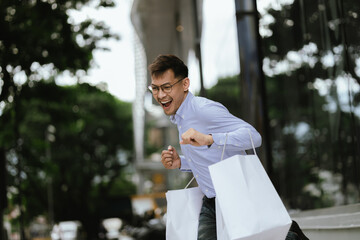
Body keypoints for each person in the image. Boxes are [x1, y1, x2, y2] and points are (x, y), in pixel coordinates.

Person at [148, 54, 307, 240]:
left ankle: (291, 237)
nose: (160, 95)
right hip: (211, 201)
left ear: (185, 84)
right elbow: (210, 159)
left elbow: (253, 136)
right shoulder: (180, 116)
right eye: (155, 88)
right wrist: (179, 162)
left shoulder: (202, 109)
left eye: (166, 87)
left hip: (234, 196)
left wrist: (210, 139)